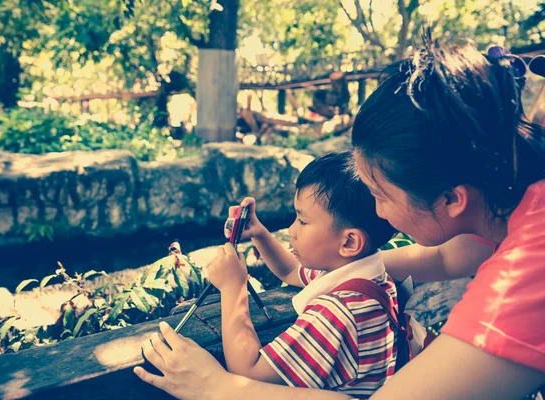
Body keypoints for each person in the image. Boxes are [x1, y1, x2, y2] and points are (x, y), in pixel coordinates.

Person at [134, 33, 545, 400]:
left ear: (452, 199)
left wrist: (218, 388)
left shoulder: (526, 276)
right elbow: (435, 259)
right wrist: (263, 236)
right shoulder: (506, 204)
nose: (377, 212)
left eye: (380, 195)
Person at [205, 152, 402, 398]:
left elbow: (248, 373)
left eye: (302, 221)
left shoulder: (336, 314)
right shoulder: (364, 279)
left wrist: (233, 287)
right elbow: (291, 271)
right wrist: (259, 233)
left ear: (350, 241)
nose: (290, 230)